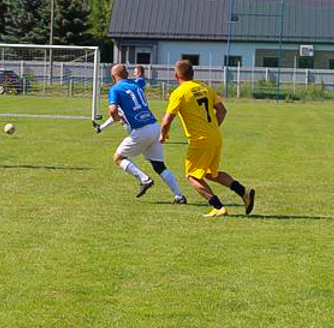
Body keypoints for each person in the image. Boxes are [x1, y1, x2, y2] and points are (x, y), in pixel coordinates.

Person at [160, 60, 256, 217]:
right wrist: (212, 128)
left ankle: (218, 207)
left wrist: (163, 136)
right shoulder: (204, 88)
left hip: (200, 140)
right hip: (215, 136)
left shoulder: (179, 92)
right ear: (193, 74)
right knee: (211, 173)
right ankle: (244, 192)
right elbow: (222, 111)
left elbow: (166, 121)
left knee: (192, 176)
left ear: (176, 75)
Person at [106, 64, 186, 203]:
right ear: (127, 75)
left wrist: (117, 119)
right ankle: (179, 196)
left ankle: (145, 179)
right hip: (155, 126)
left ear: (113, 77)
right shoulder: (136, 85)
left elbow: (112, 109)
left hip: (141, 130)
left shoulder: (115, 89)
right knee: (159, 166)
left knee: (118, 158)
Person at [94, 64, 147, 134]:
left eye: (135, 72)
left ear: (139, 73)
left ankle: (133, 134)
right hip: (133, 102)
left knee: (123, 119)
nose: (134, 74)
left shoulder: (140, 81)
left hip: (132, 103)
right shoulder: (138, 81)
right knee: (118, 115)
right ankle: (100, 128)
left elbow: (130, 86)